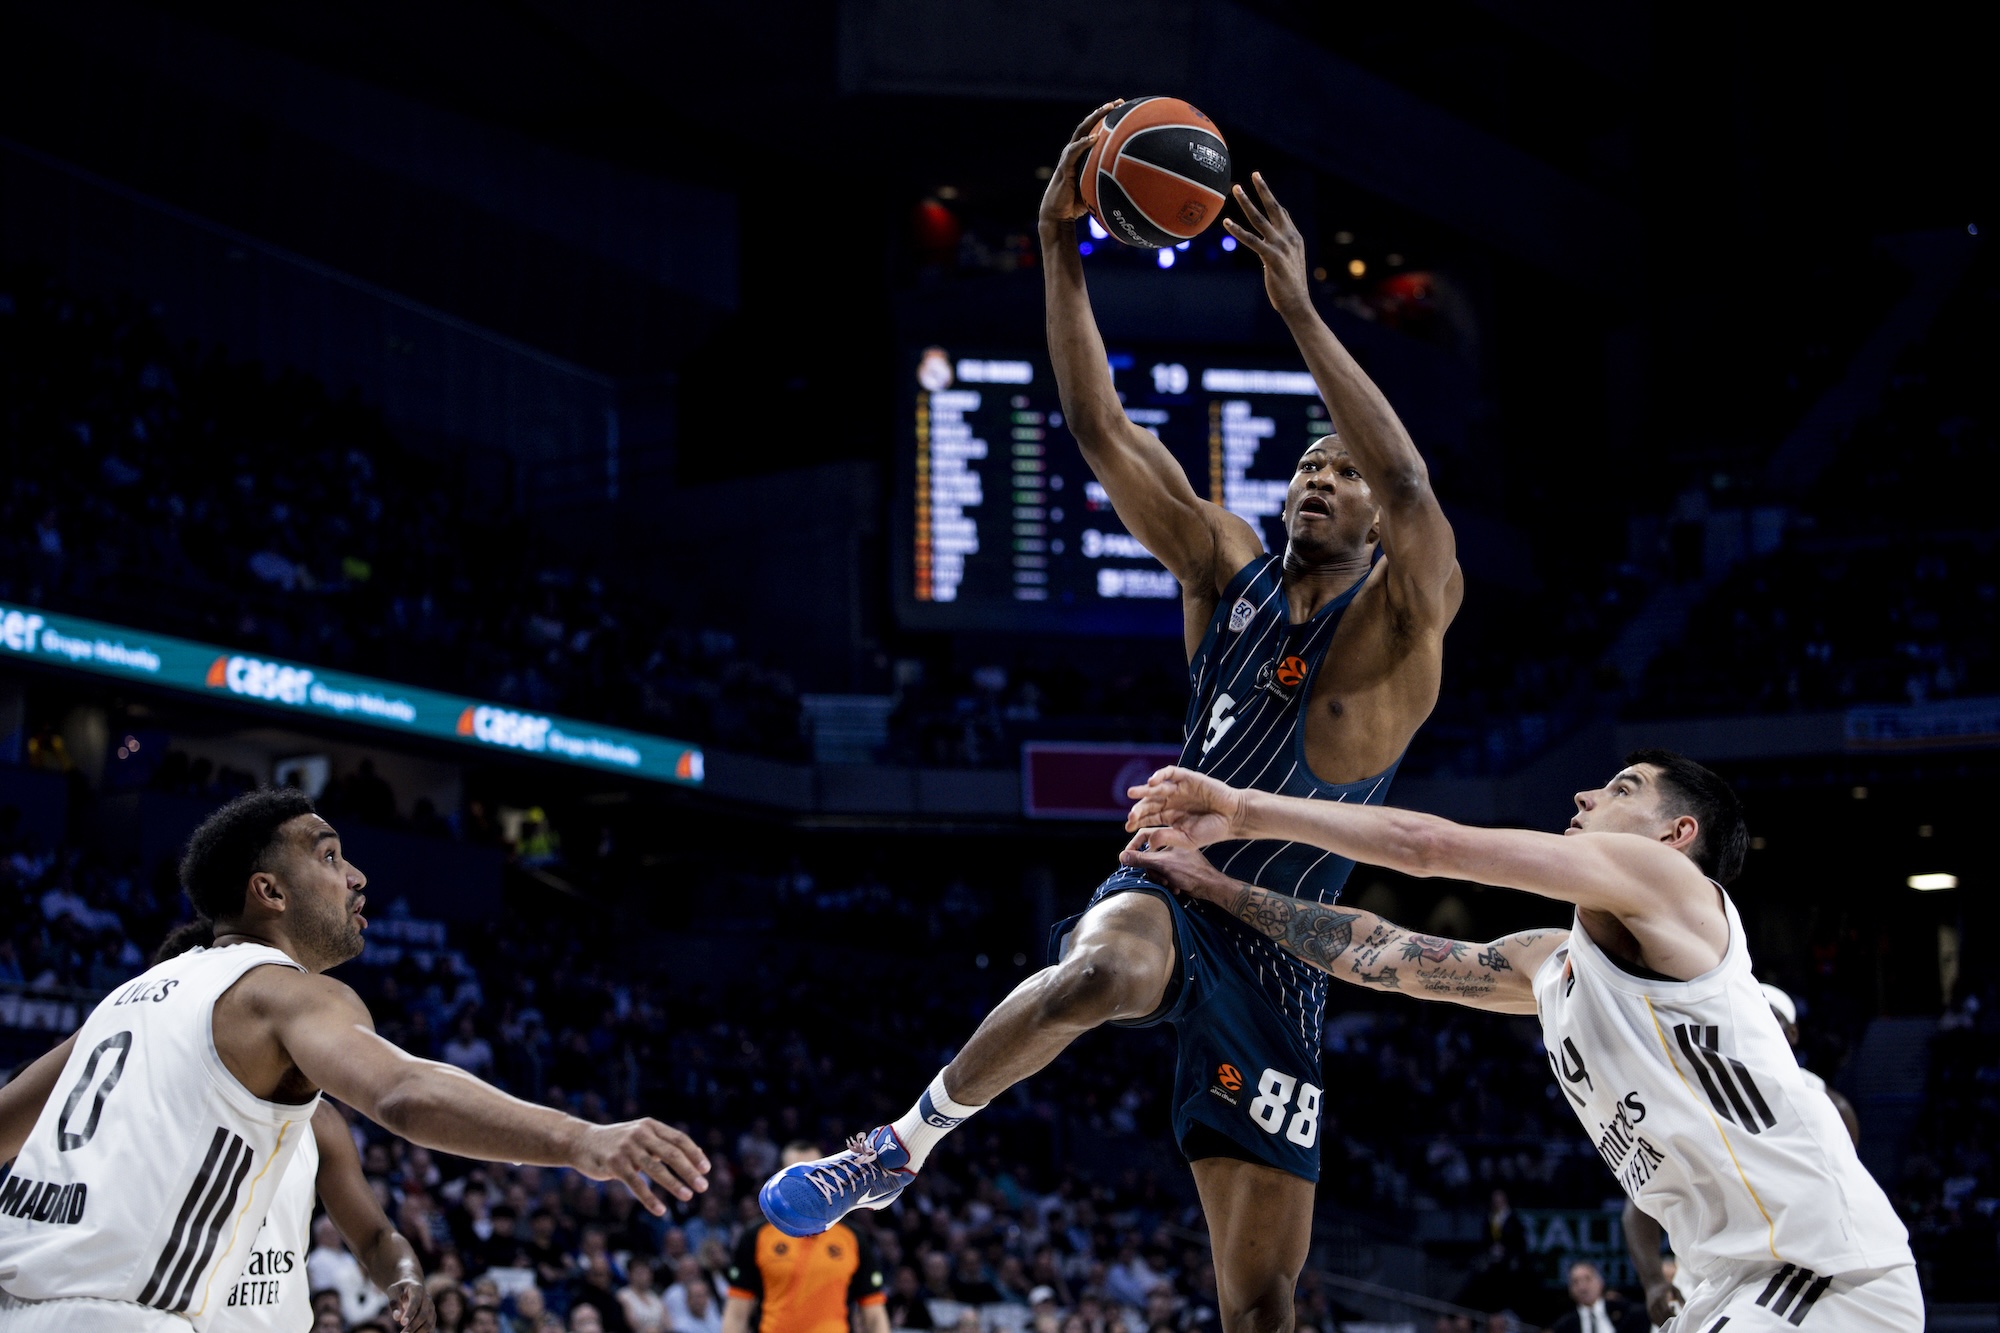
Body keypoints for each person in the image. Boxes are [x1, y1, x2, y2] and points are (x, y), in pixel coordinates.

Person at [762, 102, 1462, 1333]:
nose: (1318, 474)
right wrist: (1054, 247)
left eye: (1337, 470)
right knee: (1100, 970)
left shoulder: (1406, 620)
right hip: (1174, 888)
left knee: (1260, 1302)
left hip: (1287, 955)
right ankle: (900, 1144)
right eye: (1305, 462)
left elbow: (1407, 479)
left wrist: (1296, 304)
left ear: (1372, 522)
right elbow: (1099, 430)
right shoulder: (1223, 568)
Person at [1118, 754, 1921, 1332]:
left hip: (1820, 1274)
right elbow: (1384, 955)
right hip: (1726, 1281)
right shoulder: (1554, 961)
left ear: (1677, 832)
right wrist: (1219, 885)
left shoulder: (1672, 887)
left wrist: (1244, 810)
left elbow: (1431, 848)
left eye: (1622, 787)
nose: (1585, 791)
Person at [0, 787, 709, 1331]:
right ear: (268, 891)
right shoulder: (281, 992)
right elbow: (401, 1089)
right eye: (330, 855)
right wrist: (582, 1138)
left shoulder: (120, 1002)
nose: (358, 875)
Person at [1622, 981, 1862, 1325]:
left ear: (1791, 1032)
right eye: (1745, 1015)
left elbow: (1845, 1200)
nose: (1754, 1022)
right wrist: (1654, 1283)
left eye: (1769, 1016)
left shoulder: (1831, 1107)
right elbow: (1640, 1202)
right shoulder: (1690, 1095)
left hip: (1790, 1282)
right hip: (1701, 1285)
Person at [729, 1146, 889, 1333]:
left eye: (813, 1173)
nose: (805, 1185)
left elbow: (874, 1314)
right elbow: (736, 1313)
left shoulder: (854, 1238)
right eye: (796, 1173)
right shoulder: (756, 1236)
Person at [1546, 1261, 1645, 1333]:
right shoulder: (1564, 1326)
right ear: (1570, 1290)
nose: (1582, 1287)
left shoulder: (1624, 1311)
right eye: (1575, 1282)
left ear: (1600, 1282)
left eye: (1587, 1279)